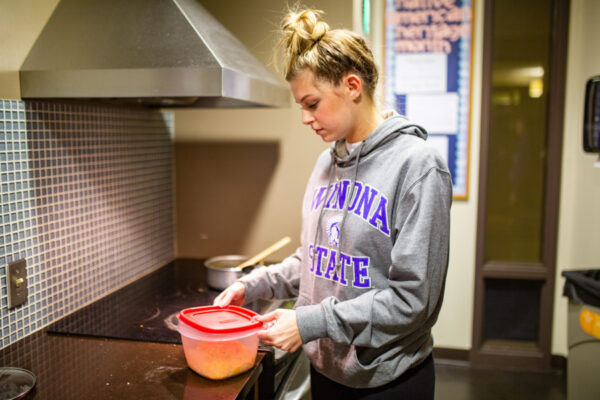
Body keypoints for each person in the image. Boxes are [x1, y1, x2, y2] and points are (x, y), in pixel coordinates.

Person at [213, 7, 452, 399]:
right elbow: (315, 259)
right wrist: (254, 284)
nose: (306, 118)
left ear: (353, 85)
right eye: (301, 107)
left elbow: (414, 301)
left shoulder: (419, 166)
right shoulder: (327, 163)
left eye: (312, 103)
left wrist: (308, 322)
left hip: (389, 381)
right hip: (327, 371)